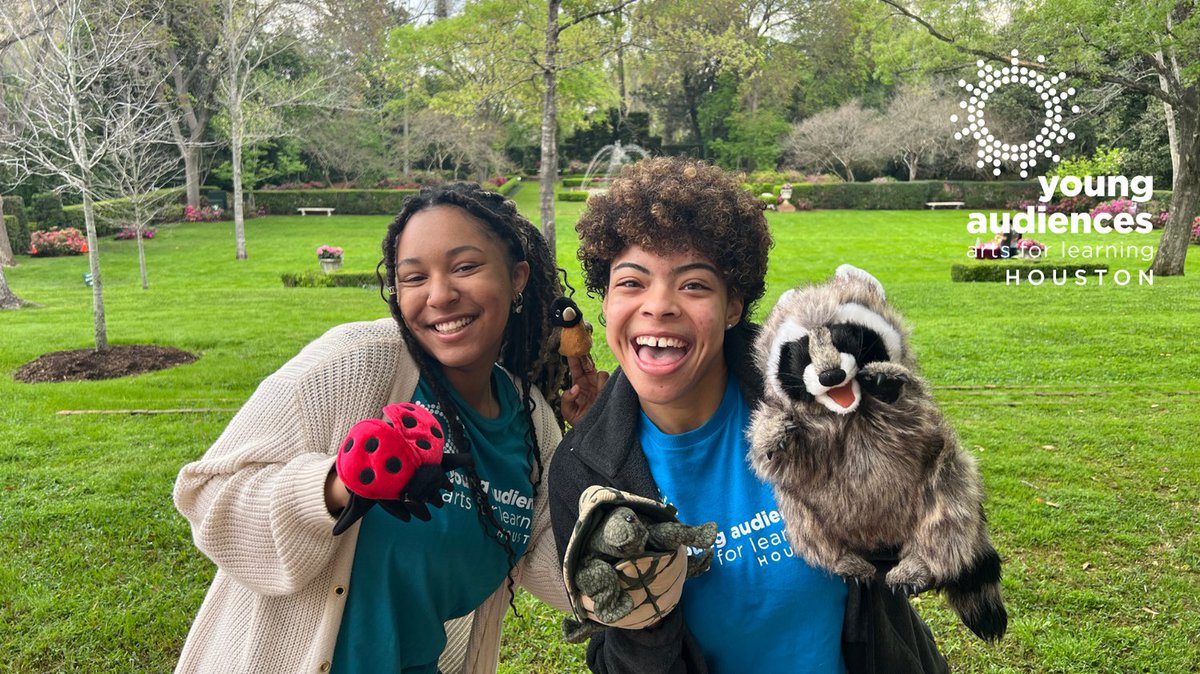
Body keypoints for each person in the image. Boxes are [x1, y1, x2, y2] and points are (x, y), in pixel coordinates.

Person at [173, 182, 605, 674]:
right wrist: (336, 486)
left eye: (465, 267)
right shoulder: (356, 362)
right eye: (414, 277)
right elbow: (206, 495)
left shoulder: (531, 423)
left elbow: (554, 557)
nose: (439, 295)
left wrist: (600, 440)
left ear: (518, 277)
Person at [548, 157, 949, 673]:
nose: (659, 305)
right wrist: (640, 618)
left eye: (693, 284)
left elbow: (903, 555)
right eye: (631, 282)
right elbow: (610, 654)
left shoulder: (813, 398)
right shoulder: (583, 470)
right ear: (605, 303)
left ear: (733, 303)